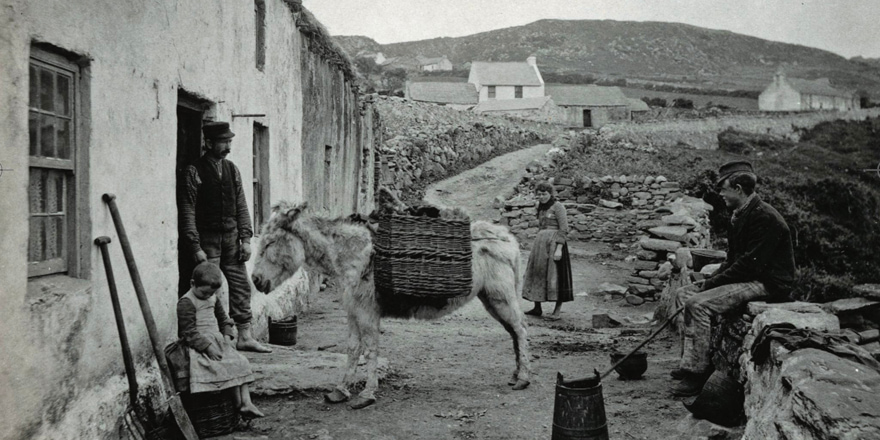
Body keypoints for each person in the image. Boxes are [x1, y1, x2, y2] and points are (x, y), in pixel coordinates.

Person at [671, 160, 795, 397]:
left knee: (698, 304)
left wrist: (710, 285)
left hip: (768, 283)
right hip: (750, 276)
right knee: (683, 294)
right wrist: (708, 281)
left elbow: (749, 266)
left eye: (724, 189)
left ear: (738, 189)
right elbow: (732, 260)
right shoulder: (740, 213)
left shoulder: (764, 217)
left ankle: (697, 373)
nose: (721, 194)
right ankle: (689, 362)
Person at [179, 121, 271, 353]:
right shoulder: (193, 171)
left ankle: (244, 337)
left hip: (231, 239)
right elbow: (188, 211)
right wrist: (195, 246)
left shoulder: (232, 169)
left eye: (229, 141)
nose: (228, 147)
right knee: (208, 288)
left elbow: (241, 205)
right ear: (209, 143)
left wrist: (246, 239)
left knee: (241, 286)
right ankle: (208, 341)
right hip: (207, 240)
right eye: (223, 142)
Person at [177, 262, 265, 418]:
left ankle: (246, 402)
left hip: (217, 342)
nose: (208, 296)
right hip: (199, 346)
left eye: (211, 293)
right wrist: (208, 347)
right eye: (205, 293)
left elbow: (224, 320)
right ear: (192, 284)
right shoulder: (186, 302)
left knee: (240, 361)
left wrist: (227, 337)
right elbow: (188, 332)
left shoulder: (213, 298)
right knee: (220, 366)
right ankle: (237, 404)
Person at [522, 181, 574, 321]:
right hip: (540, 245)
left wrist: (559, 249)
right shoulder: (540, 207)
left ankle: (557, 311)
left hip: (554, 244)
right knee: (537, 272)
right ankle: (537, 307)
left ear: (550, 194)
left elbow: (564, 229)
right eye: (539, 194)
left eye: (544, 194)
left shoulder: (558, 207)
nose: (541, 197)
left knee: (556, 275)